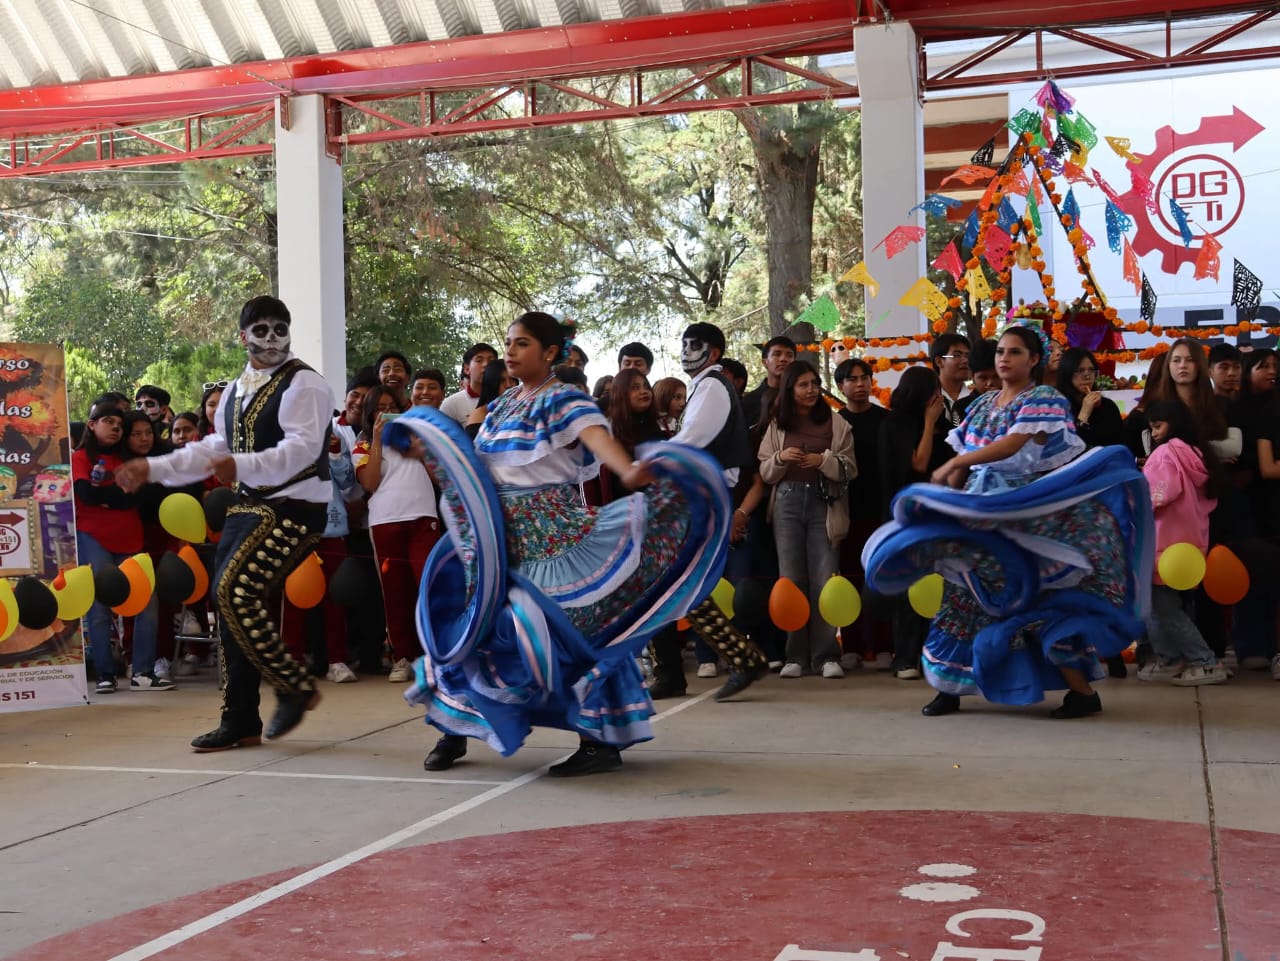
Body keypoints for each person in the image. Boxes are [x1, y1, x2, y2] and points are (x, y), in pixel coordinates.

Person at [392, 311, 735, 776]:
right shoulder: (500, 405)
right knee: (469, 628)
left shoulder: (565, 399)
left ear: (550, 352)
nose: (510, 351)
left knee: (571, 637)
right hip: (494, 539)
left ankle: (599, 740)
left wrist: (629, 470)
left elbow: (596, 437)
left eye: (522, 343)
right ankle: (454, 726)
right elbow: (476, 466)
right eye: (509, 342)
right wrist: (430, 450)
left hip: (550, 536)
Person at [863, 323, 1150, 720]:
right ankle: (948, 688)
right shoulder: (982, 404)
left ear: (1034, 360)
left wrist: (955, 464)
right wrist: (950, 502)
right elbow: (964, 463)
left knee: (1035, 600)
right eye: (1000, 351)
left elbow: (1012, 445)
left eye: (1014, 352)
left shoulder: (1044, 398)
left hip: (1023, 515)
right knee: (961, 597)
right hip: (979, 515)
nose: (1004, 358)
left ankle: (1082, 692)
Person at [116, 295, 333, 750]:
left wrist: (243, 464)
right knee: (227, 606)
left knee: (235, 592)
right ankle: (240, 719)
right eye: (261, 331)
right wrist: (152, 468)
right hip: (247, 506)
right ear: (243, 336)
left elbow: (302, 449)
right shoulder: (236, 389)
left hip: (296, 508)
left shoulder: (306, 384)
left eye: (279, 330)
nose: (271, 340)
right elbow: (212, 448)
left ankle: (293, 685)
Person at [668, 321, 770, 698]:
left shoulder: (711, 386)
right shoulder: (704, 386)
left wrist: (650, 460)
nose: (685, 352)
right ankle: (738, 657)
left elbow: (693, 439)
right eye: (683, 344)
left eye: (693, 345)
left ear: (713, 353)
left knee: (682, 580)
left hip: (706, 494)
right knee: (682, 581)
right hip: (702, 492)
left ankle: (738, 657)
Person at [756, 362, 856, 678]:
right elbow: (765, 471)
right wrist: (780, 458)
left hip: (824, 503)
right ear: (790, 390)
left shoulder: (835, 422)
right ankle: (795, 656)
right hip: (786, 501)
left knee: (825, 577)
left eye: (814, 383)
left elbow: (850, 468)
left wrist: (822, 460)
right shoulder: (777, 424)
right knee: (791, 579)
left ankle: (826, 656)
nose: (811, 390)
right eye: (803, 385)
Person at [74, 398, 172, 694]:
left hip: (131, 538)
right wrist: (115, 496)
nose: (115, 428)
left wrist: (106, 498)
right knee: (99, 606)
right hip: (93, 537)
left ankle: (142, 672)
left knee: (146, 601)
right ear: (92, 425)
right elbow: (85, 494)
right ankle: (105, 674)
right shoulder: (80, 457)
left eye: (119, 424)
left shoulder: (129, 459)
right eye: (109, 422)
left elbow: (136, 497)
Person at [1138, 400, 1229, 686]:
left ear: (1174, 424)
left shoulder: (1165, 453)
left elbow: (1157, 495)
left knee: (1163, 607)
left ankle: (1204, 661)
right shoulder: (1196, 453)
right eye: (1152, 428)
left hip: (1164, 542)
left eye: (1158, 426)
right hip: (1191, 543)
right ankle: (1170, 659)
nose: (1154, 433)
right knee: (1172, 605)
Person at [354, 384, 439, 685]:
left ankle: (434, 656)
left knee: (429, 586)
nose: (386, 413)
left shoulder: (416, 437)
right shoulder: (363, 445)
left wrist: (419, 445)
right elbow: (369, 482)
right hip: (386, 522)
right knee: (395, 594)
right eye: (379, 409)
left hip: (423, 518)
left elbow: (439, 476)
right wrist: (378, 439)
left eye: (391, 407)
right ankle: (402, 656)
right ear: (370, 414)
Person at [877, 366, 950, 679]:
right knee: (909, 586)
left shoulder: (944, 424)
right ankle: (905, 656)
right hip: (907, 516)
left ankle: (934, 654)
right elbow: (919, 463)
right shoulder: (895, 424)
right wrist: (929, 423)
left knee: (938, 585)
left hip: (939, 513)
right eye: (934, 391)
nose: (938, 398)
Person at [834, 357, 888, 667]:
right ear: (841, 386)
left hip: (881, 513)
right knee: (850, 579)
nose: (860, 384)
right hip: (847, 512)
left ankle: (884, 646)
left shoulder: (886, 420)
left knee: (881, 579)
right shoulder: (835, 423)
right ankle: (851, 647)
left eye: (864, 378)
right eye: (852, 379)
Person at [1057, 347, 1125, 450]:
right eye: (1080, 370)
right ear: (1067, 373)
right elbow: (1066, 448)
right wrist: (1084, 414)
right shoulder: (1058, 407)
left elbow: (1119, 445)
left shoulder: (1107, 406)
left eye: (1091, 370)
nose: (1087, 376)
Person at [741, 336, 796, 430]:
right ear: (764, 362)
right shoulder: (749, 401)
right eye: (777, 354)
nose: (783, 359)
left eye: (789, 355)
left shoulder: (800, 397)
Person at [440, 343, 499, 424]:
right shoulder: (451, 404)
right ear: (467, 369)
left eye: (491, 361)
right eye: (479, 360)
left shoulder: (507, 399)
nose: (486, 364)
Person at [463, 359, 515, 441]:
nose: (508, 385)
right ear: (491, 383)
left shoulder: (523, 408)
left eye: (512, 379)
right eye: (502, 380)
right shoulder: (480, 416)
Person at [930, 333, 971, 427]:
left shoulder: (975, 399)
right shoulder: (928, 397)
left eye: (967, 355)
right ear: (939, 362)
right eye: (957, 355)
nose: (965, 360)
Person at [955, 339, 998, 420]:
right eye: (983, 378)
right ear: (971, 375)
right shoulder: (961, 408)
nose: (990, 383)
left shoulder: (1016, 403)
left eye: (996, 377)